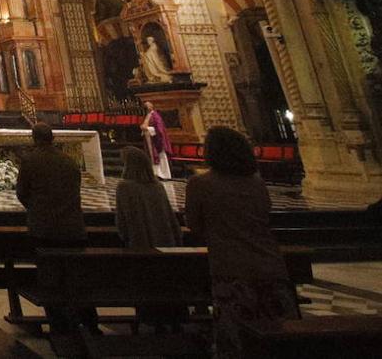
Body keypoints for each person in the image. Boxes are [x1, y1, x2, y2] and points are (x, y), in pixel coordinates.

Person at [185, 126, 297, 357]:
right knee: (277, 339)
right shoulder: (257, 183)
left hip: (230, 267)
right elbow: (265, 215)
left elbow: (195, 226)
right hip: (271, 265)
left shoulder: (200, 185)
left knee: (236, 341)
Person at [15, 124, 91, 334]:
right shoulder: (69, 160)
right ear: (52, 138)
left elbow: (22, 192)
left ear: (33, 138)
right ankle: (86, 319)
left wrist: (37, 209)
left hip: (44, 228)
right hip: (74, 226)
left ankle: (57, 320)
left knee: (49, 274)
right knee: (76, 274)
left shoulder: (31, 160)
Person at [115, 146, 181, 250]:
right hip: (166, 243)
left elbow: (122, 220)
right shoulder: (158, 186)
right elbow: (170, 217)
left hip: (139, 244)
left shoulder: (124, 187)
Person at [142, 101, 173, 180]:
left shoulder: (155, 115)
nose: (147, 107)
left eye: (148, 105)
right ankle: (155, 173)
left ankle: (163, 174)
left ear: (152, 106)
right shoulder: (147, 116)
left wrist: (148, 129)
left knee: (160, 156)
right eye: (145, 106)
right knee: (152, 156)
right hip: (150, 140)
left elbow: (159, 129)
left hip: (157, 140)